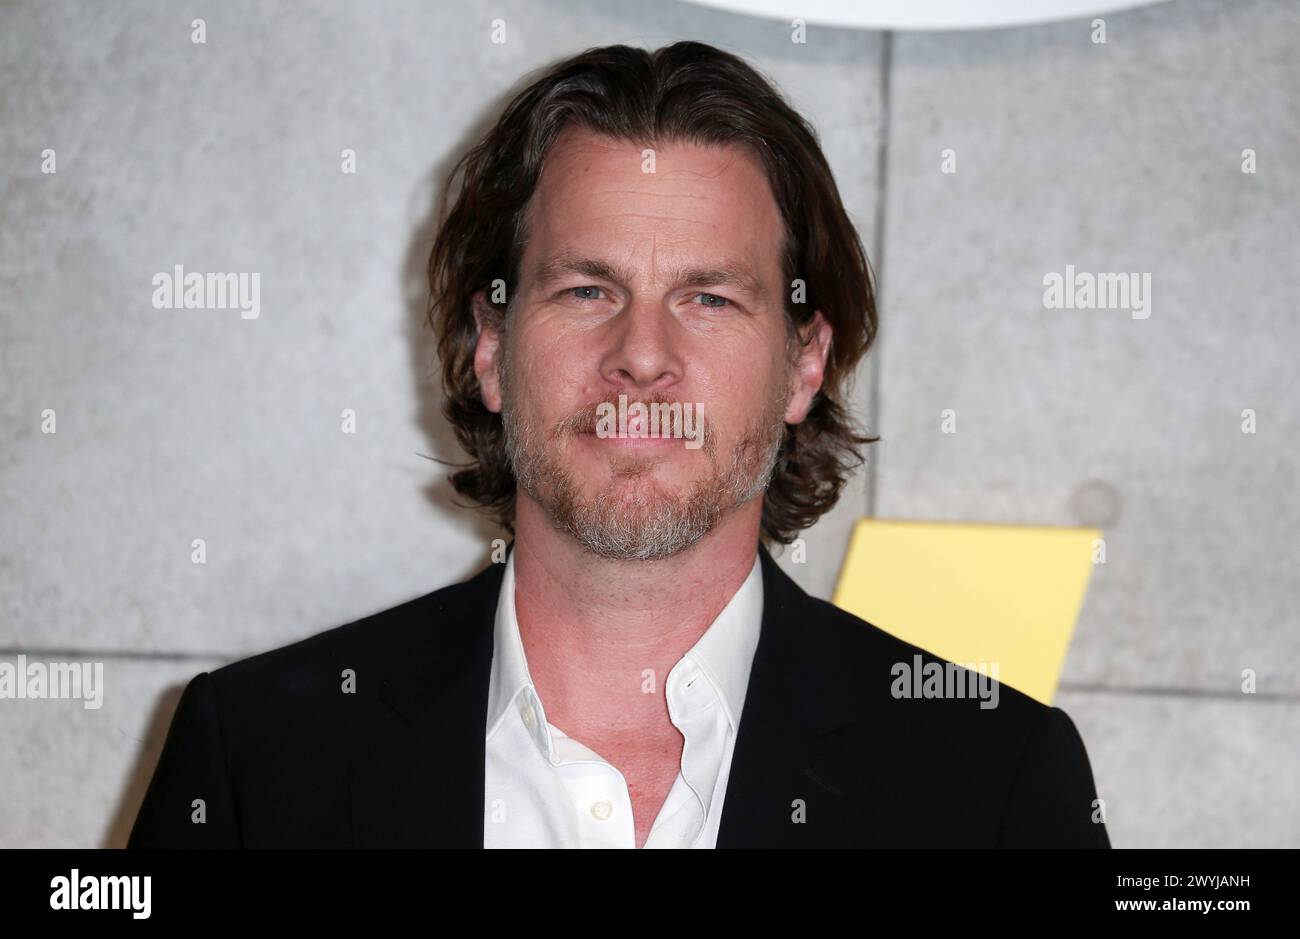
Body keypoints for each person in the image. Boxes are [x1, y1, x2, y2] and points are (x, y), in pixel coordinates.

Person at [128, 40, 1109, 849]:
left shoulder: (995, 788)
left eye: (709, 298)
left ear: (804, 365)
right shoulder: (259, 758)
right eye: (587, 291)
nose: (642, 356)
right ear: (491, 349)